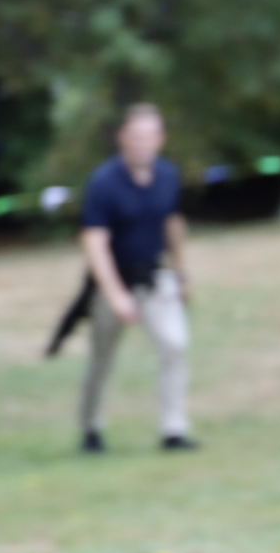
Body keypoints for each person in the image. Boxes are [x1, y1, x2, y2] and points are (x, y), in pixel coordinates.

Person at [75, 104, 198, 454]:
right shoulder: (104, 182)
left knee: (175, 346)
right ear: (122, 138)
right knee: (102, 359)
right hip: (113, 281)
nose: (143, 143)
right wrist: (115, 295)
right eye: (136, 136)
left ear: (160, 140)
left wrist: (181, 272)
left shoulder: (168, 176)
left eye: (150, 136)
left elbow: (172, 224)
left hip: (155, 278)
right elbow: (94, 241)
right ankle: (91, 430)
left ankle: (173, 431)